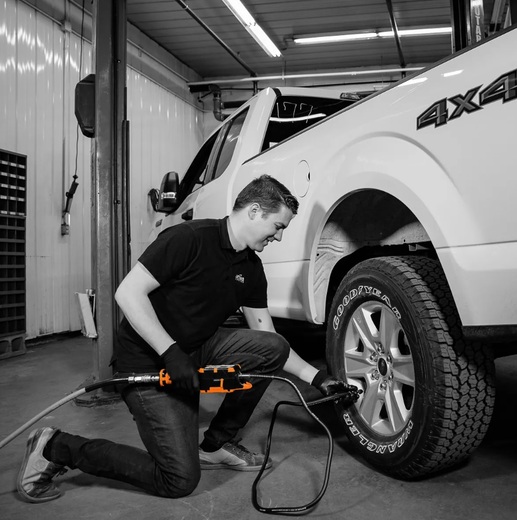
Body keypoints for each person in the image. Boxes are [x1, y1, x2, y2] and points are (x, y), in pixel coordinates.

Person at [17, 174, 346, 503]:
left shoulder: (251, 268)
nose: (279, 235)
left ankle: (216, 444)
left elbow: (268, 337)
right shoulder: (189, 238)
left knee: (271, 348)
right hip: (147, 361)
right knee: (179, 479)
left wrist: (317, 378)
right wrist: (170, 353)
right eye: (278, 226)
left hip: (194, 351)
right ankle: (55, 446)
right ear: (255, 211)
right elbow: (128, 293)